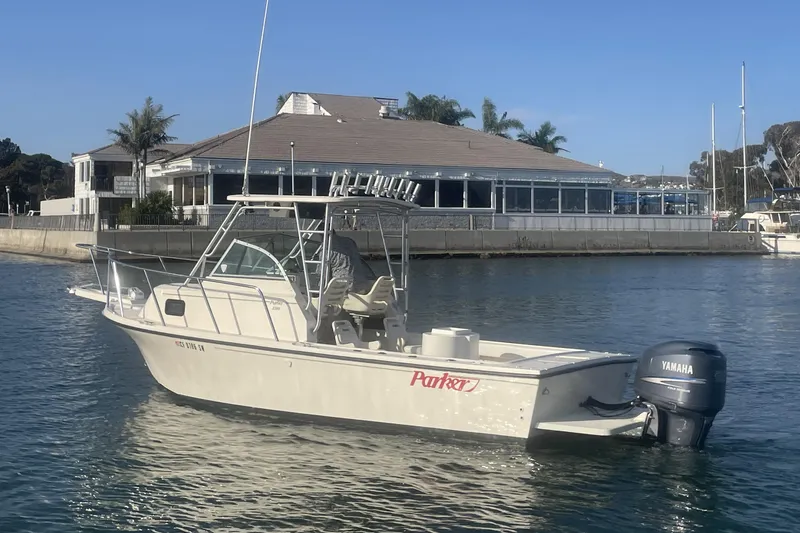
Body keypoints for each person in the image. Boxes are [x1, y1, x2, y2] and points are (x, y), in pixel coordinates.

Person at [327, 229, 377, 293]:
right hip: (361, 285)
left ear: (321, 234)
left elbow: (321, 273)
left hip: (343, 289)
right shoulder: (349, 241)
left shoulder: (326, 247)